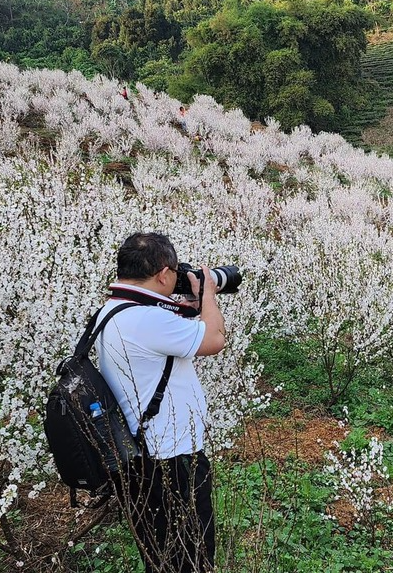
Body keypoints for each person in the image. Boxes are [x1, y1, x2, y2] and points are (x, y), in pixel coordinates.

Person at [97, 232, 227, 573]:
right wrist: (208, 294)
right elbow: (214, 338)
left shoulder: (112, 311)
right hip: (172, 458)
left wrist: (180, 312)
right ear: (164, 274)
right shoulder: (148, 320)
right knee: (191, 556)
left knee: (161, 553)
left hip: (140, 457)